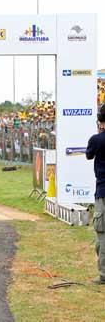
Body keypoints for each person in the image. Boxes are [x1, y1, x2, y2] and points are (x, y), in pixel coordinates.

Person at [86, 104, 105, 285]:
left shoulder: (97, 140)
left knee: (102, 235)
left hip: (103, 192)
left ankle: (104, 275)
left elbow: (88, 155)